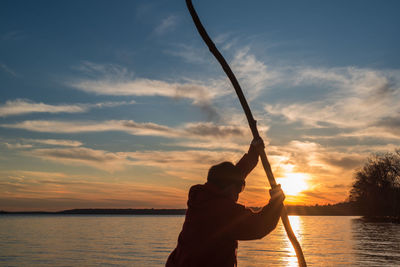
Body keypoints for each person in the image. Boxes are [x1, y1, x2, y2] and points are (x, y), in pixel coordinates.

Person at [166, 137, 285, 267]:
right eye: (239, 189)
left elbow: (235, 175)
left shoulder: (201, 199)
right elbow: (259, 226)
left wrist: (253, 153)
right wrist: (276, 201)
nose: (238, 194)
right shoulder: (223, 211)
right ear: (228, 187)